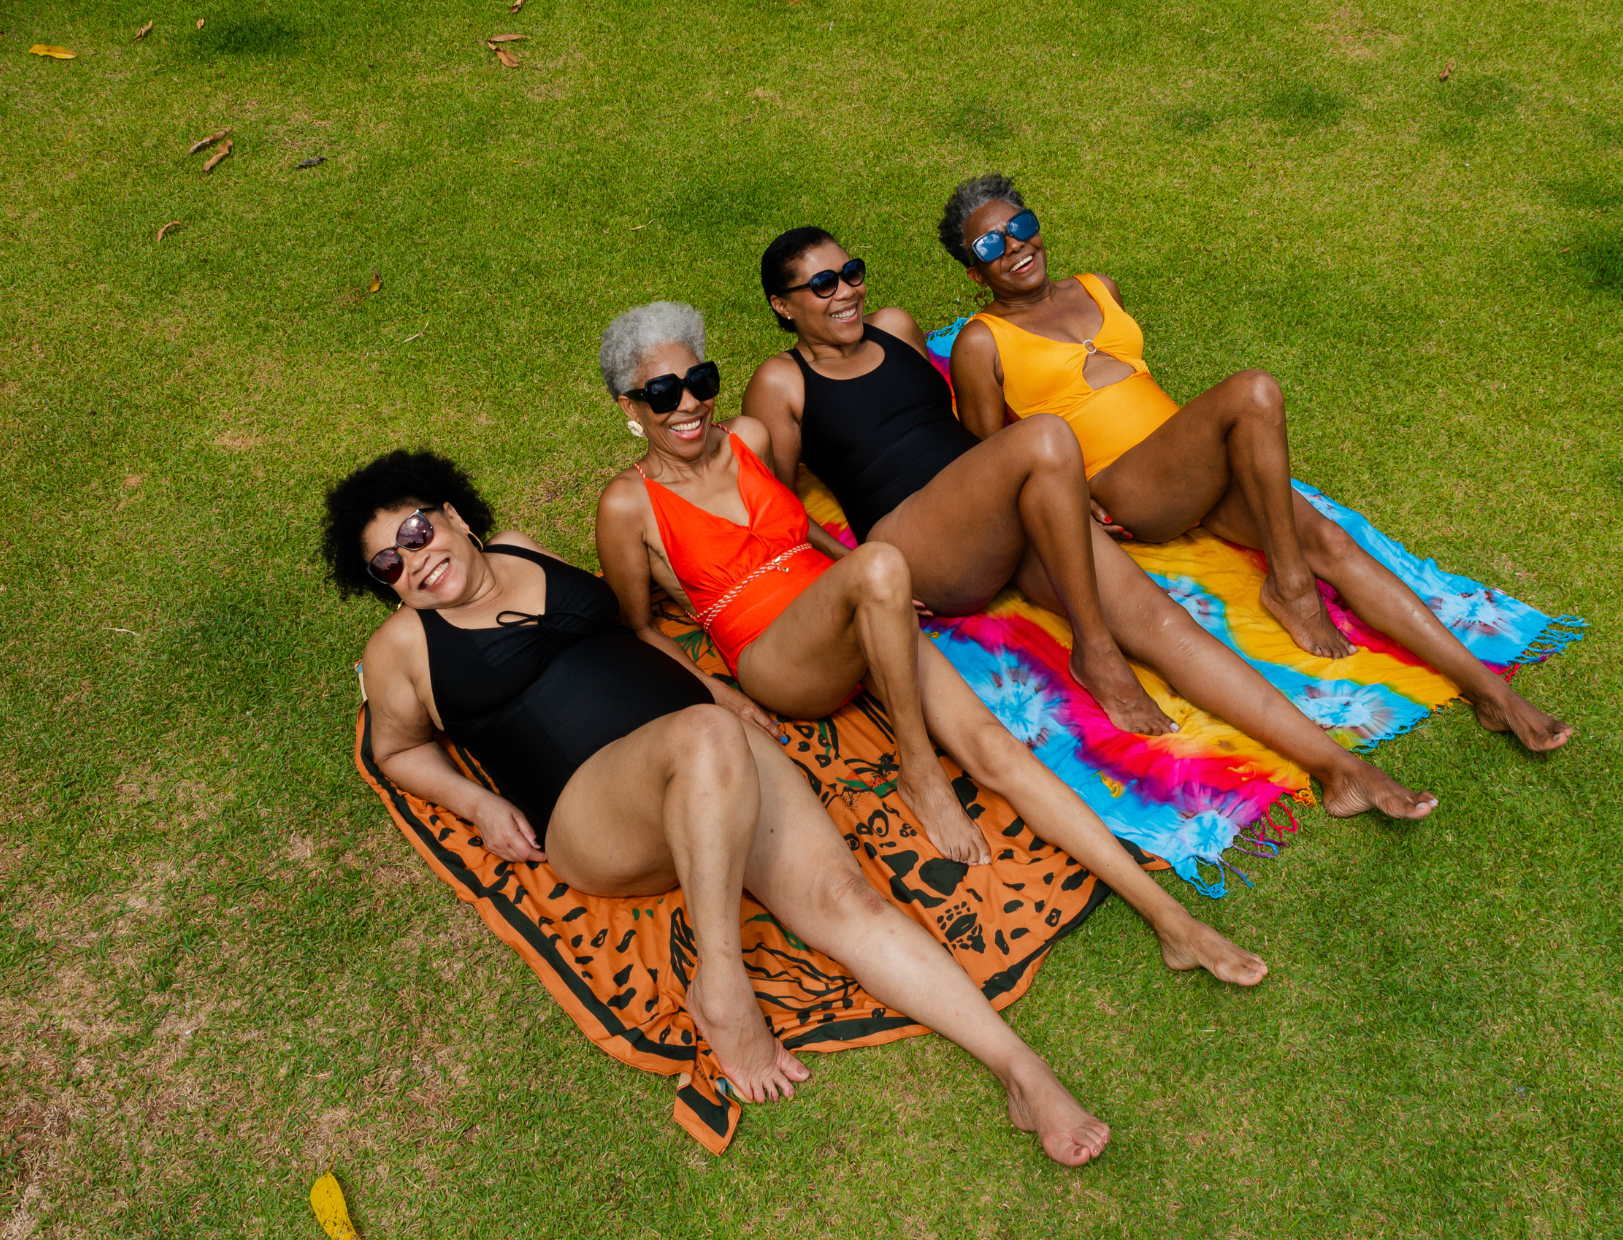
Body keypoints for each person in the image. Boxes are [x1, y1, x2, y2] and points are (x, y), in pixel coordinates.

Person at [323, 450, 1112, 1165]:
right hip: (593, 809)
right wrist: (476, 803)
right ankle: (723, 990)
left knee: (846, 897)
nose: (415, 562)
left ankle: (1022, 1071)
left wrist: (717, 690)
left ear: (455, 515)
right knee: (702, 736)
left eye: (419, 531)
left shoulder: (524, 547)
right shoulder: (401, 650)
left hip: (711, 760)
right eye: (388, 564)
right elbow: (396, 751)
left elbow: (625, 641)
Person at [591, 301, 1271, 985]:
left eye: (700, 381)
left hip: (857, 612)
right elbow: (637, 625)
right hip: (777, 657)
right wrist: (722, 696)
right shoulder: (628, 505)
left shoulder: (747, 438)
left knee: (992, 747)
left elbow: (797, 529)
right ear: (630, 405)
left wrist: (862, 584)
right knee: (883, 561)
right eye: (662, 393)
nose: (689, 405)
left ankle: (1171, 921)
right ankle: (920, 772)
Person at [740, 231, 1440, 821]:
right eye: (822, 285)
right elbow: (777, 501)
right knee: (1046, 438)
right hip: (917, 536)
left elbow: (952, 423)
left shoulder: (895, 328)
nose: (846, 293)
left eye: (850, 273)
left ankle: (1338, 767)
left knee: (1161, 620)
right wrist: (851, 567)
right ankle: (1094, 650)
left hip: (998, 506)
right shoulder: (781, 382)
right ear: (783, 305)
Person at [943, 173, 1573, 752]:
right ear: (974, 274)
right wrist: (1071, 493)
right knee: (1253, 392)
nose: (1014, 247)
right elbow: (988, 452)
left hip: (1191, 466)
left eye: (1020, 227)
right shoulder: (981, 341)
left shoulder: (1096, 288)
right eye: (989, 246)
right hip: (1129, 488)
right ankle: (1291, 586)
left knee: (1328, 538)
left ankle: (1495, 695)